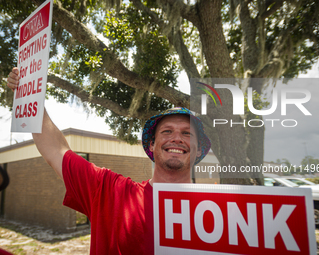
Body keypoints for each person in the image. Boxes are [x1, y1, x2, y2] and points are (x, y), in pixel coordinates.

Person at [7, 67, 211, 254]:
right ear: (151, 145)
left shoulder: (224, 214)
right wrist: (29, 94)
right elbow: (55, 150)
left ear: (200, 149)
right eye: (167, 131)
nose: (177, 138)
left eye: (187, 133)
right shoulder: (109, 191)